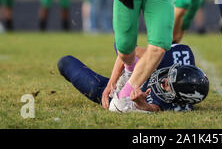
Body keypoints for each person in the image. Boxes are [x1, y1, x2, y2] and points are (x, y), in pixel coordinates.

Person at [57, 42, 209, 112]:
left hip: (126, 96)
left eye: (167, 85)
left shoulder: (178, 106)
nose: (163, 80)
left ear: (178, 98)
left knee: (65, 63)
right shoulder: (173, 56)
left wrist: (142, 104)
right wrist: (113, 81)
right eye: (168, 76)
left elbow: (155, 108)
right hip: (136, 72)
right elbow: (130, 50)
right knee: (122, 44)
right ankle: (130, 69)